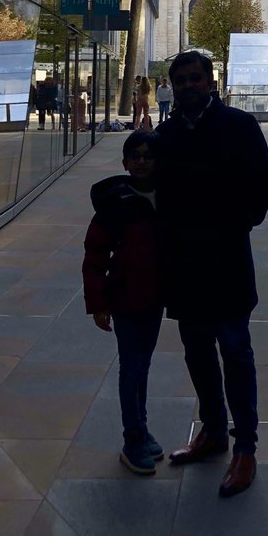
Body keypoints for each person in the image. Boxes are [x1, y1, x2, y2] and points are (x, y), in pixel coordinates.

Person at [155, 50, 268, 498]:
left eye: (195, 78)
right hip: (186, 264)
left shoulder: (239, 126)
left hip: (226, 259)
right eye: (180, 80)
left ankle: (245, 447)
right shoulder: (165, 135)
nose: (188, 85)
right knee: (196, 351)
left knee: (235, 351)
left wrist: (238, 222)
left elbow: (267, 184)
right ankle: (213, 430)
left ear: (211, 82)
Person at [83, 130, 164, 475]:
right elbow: (94, 256)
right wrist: (98, 303)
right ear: (125, 163)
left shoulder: (167, 196)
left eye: (147, 155)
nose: (142, 161)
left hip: (155, 297)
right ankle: (133, 438)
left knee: (141, 365)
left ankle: (141, 430)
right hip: (126, 297)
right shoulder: (115, 203)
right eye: (135, 156)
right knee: (132, 368)